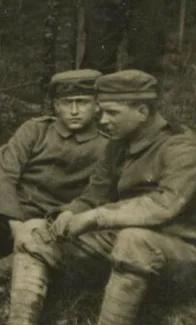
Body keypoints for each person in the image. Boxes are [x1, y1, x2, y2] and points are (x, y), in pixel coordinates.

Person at [18, 70, 196, 325]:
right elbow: (95, 194)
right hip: (126, 249)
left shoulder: (181, 147)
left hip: (182, 256)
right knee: (35, 232)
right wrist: (72, 212)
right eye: (101, 111)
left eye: (112, 112)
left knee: (134, 240)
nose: (102, 120)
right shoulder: (117, 145)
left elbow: (164, 205)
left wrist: (96, 217)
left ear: (143, 112)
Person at [0, 70, 107, 319]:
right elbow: (1, 171)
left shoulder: (107, 145)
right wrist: (15, 222)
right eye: (67, 103)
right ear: (55, 106)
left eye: (83, 102)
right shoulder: (36, 130)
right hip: (9, 215)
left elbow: (97, 194)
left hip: (54, 229)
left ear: (97, 106)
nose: (74, 111)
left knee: (47, 249)